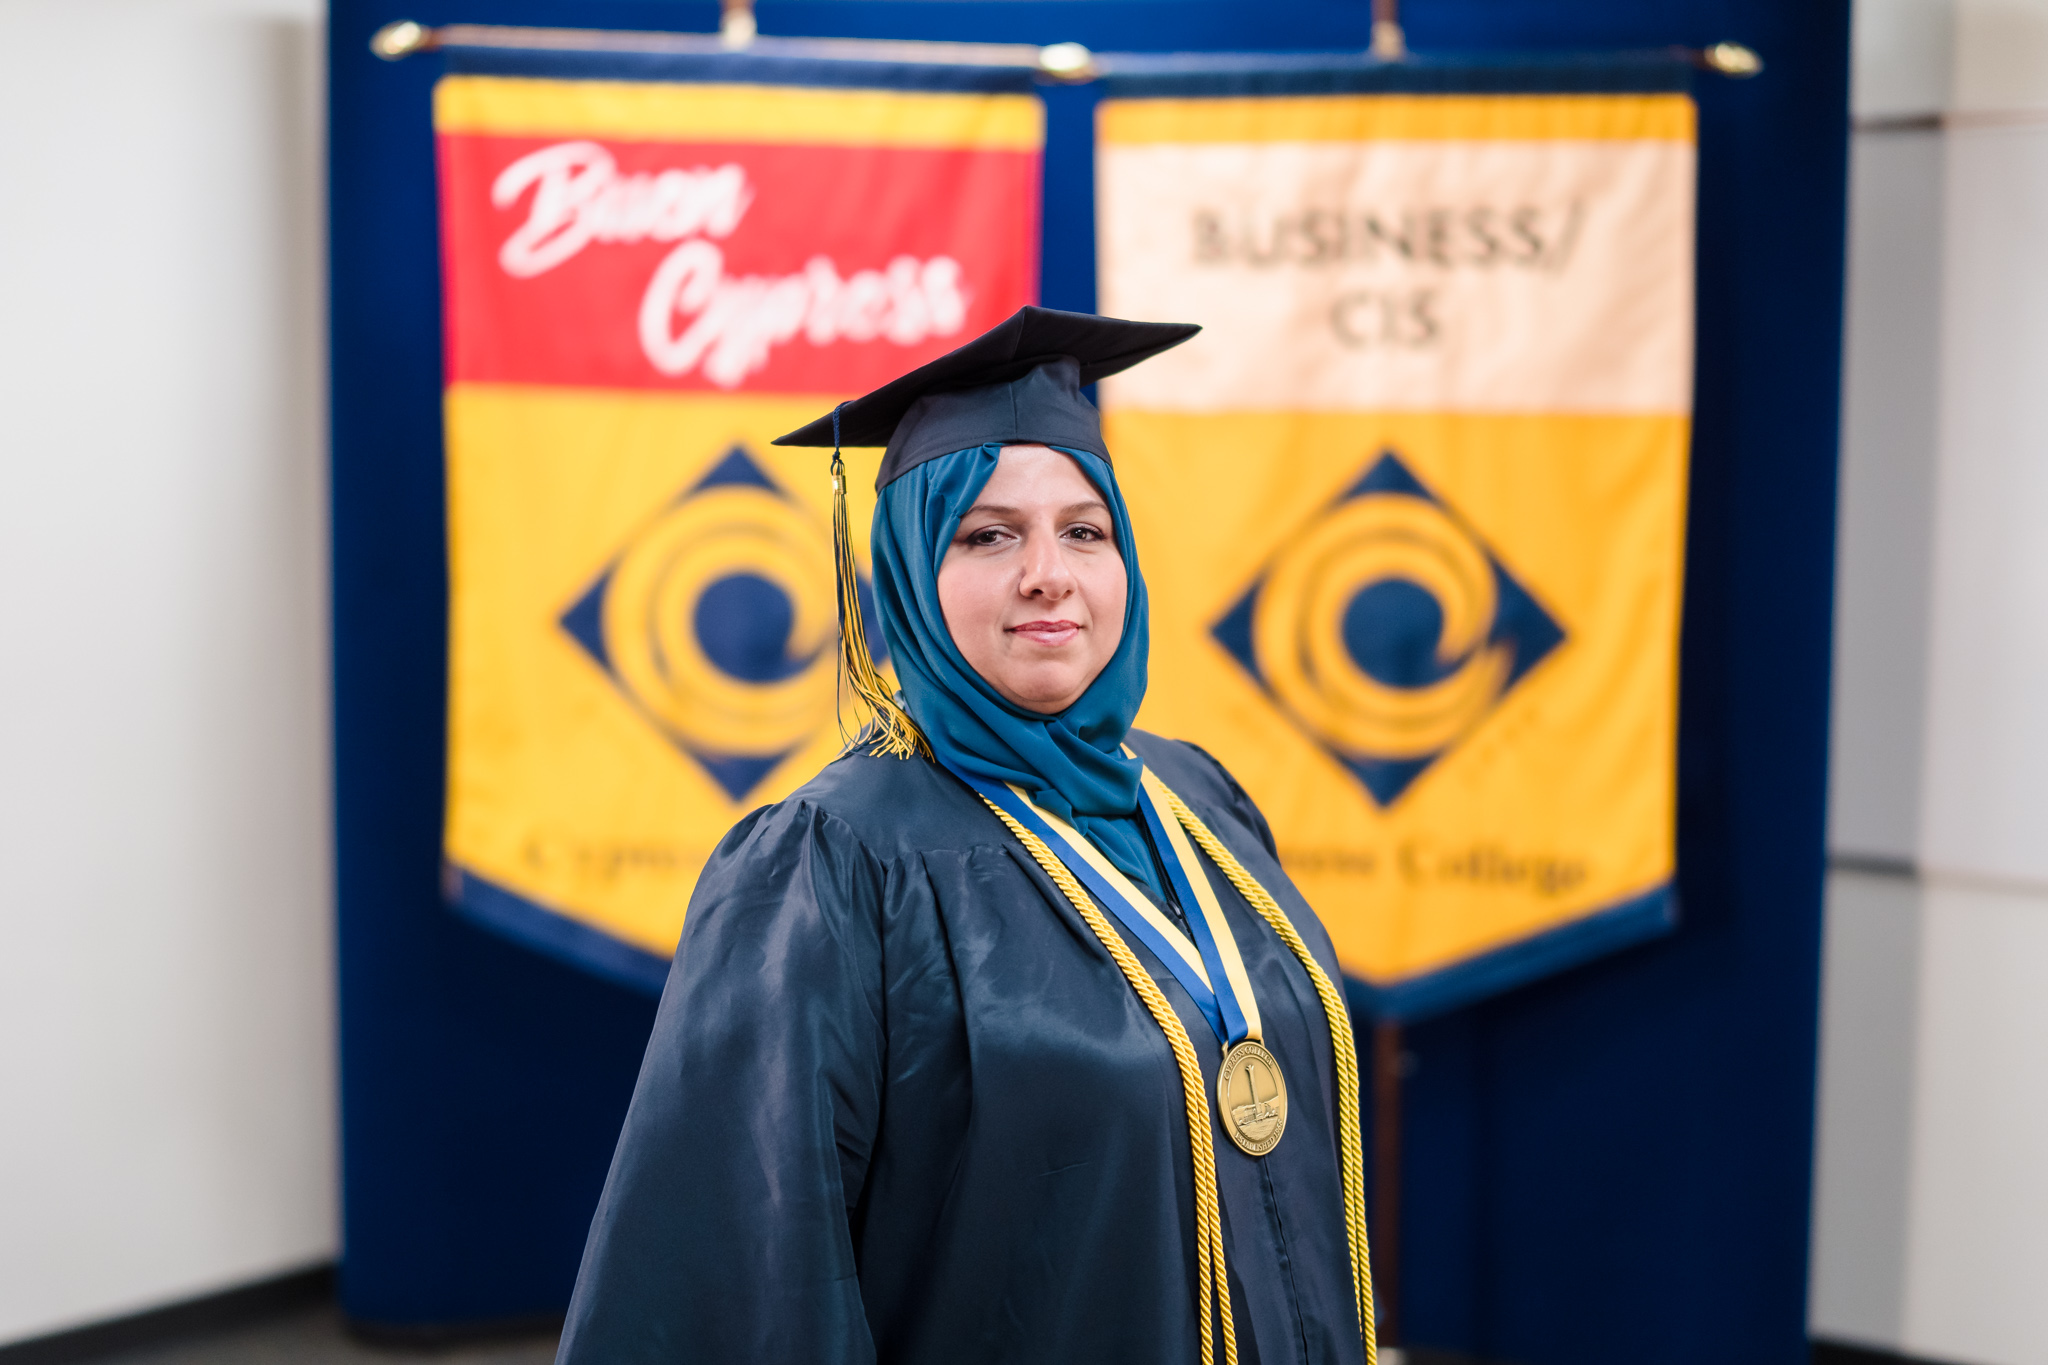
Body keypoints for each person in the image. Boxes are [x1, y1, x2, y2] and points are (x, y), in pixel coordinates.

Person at [556, 307, 1377, 1365]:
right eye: (988, 536)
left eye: (1084, 531)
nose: (1049, 573)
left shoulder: (1193, 799)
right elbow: (746, 1269)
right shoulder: (830, 865)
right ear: (903, 575)